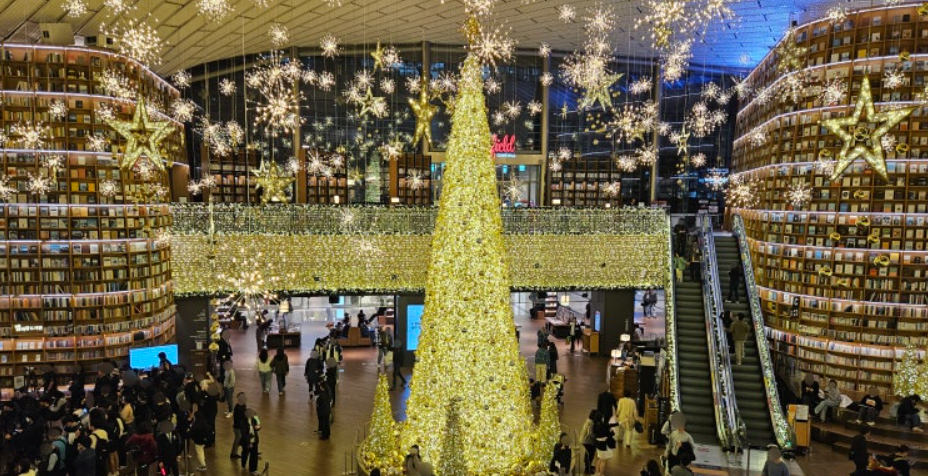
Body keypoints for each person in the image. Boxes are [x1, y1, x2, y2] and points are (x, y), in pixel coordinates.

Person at [592, 411, 617, 476]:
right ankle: (602, 474)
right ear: (601, 418)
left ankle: (597, 473)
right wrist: (612, 432)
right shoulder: (601, 426)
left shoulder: (595, 425)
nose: (603, 418)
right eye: (602, 417)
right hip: (602, 445)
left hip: (598, 444)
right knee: (603, 461)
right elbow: (607, 435)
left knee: (599, 459)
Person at [240, 410, 261, 475]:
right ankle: (243, 464)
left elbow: (257, 427)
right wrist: (249, 442)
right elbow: (244, 434)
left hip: (254, 440)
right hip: (247, 441)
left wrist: (258, 428)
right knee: (245, 453)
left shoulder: (253, 419)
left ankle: (253, 469)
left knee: (254, 455)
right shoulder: (243, 422)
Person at [578, 410, 597, 475]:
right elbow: (590, 434)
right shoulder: (591, 423)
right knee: (590, 455)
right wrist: (597, 437)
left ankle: (588, 466)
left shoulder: (588, 420)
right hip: (587, 441)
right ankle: (587, 469)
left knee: (588, 454)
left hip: (585, 440)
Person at [230, 392, 247, 459]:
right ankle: (233, 453)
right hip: (237, 427)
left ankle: (234, 453)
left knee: (238, 440)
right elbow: (238, 419)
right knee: (237, 440)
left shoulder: (243, 406)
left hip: (240, 427)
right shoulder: (237, 408)